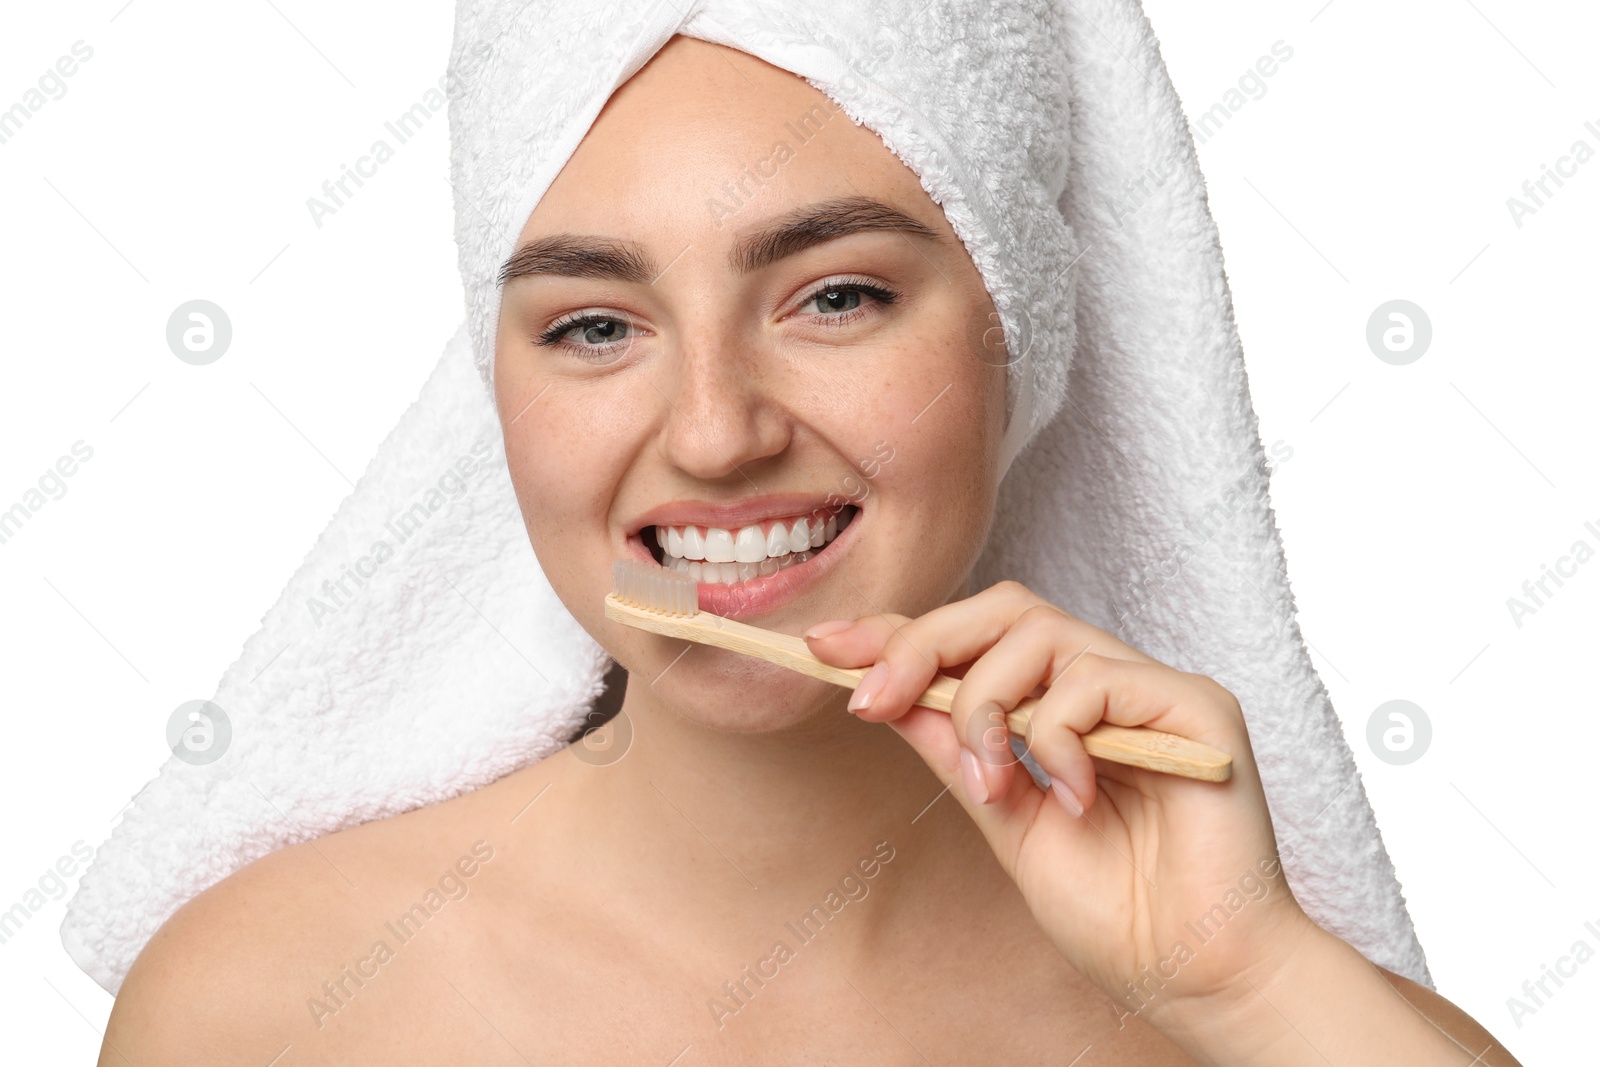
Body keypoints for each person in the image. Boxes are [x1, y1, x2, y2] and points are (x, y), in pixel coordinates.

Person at [100, 34, 1522, 1066]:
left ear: (1016, 337)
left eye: (834, 297)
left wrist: (1244, 984)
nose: (716, 435)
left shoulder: (1278, 1016)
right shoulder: (260, 1009)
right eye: (595, 324)